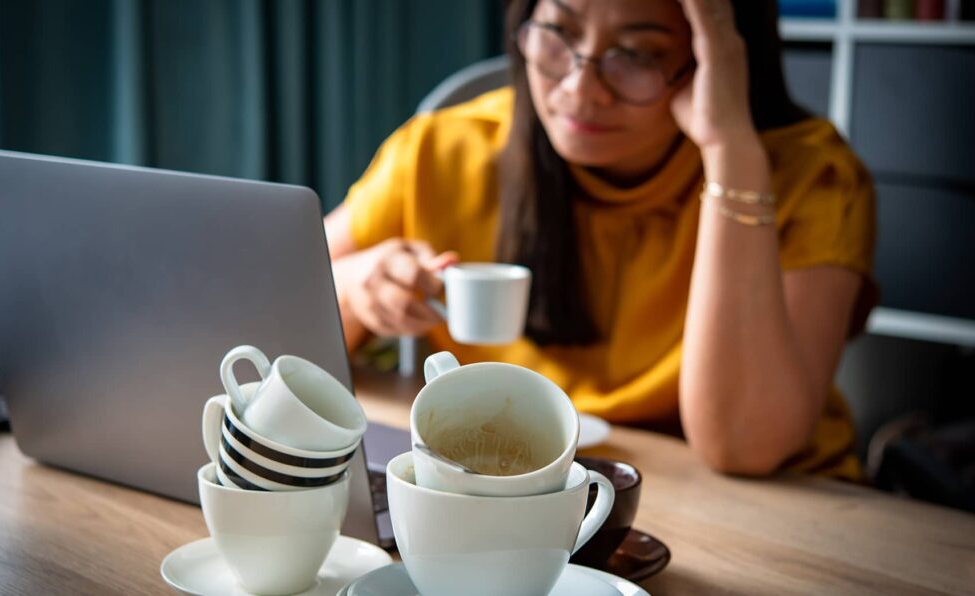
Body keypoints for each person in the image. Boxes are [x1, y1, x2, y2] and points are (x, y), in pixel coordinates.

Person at [325, 0, 876, 480]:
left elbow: (744, 445)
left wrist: (729, 148)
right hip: (514, 484)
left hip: (769, 507)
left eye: (637, 54)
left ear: (718, 62)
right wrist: (354, 288)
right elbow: (258, 324)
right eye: (558, 34)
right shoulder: (441, 152)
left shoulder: (809, 178)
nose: (580, 89)